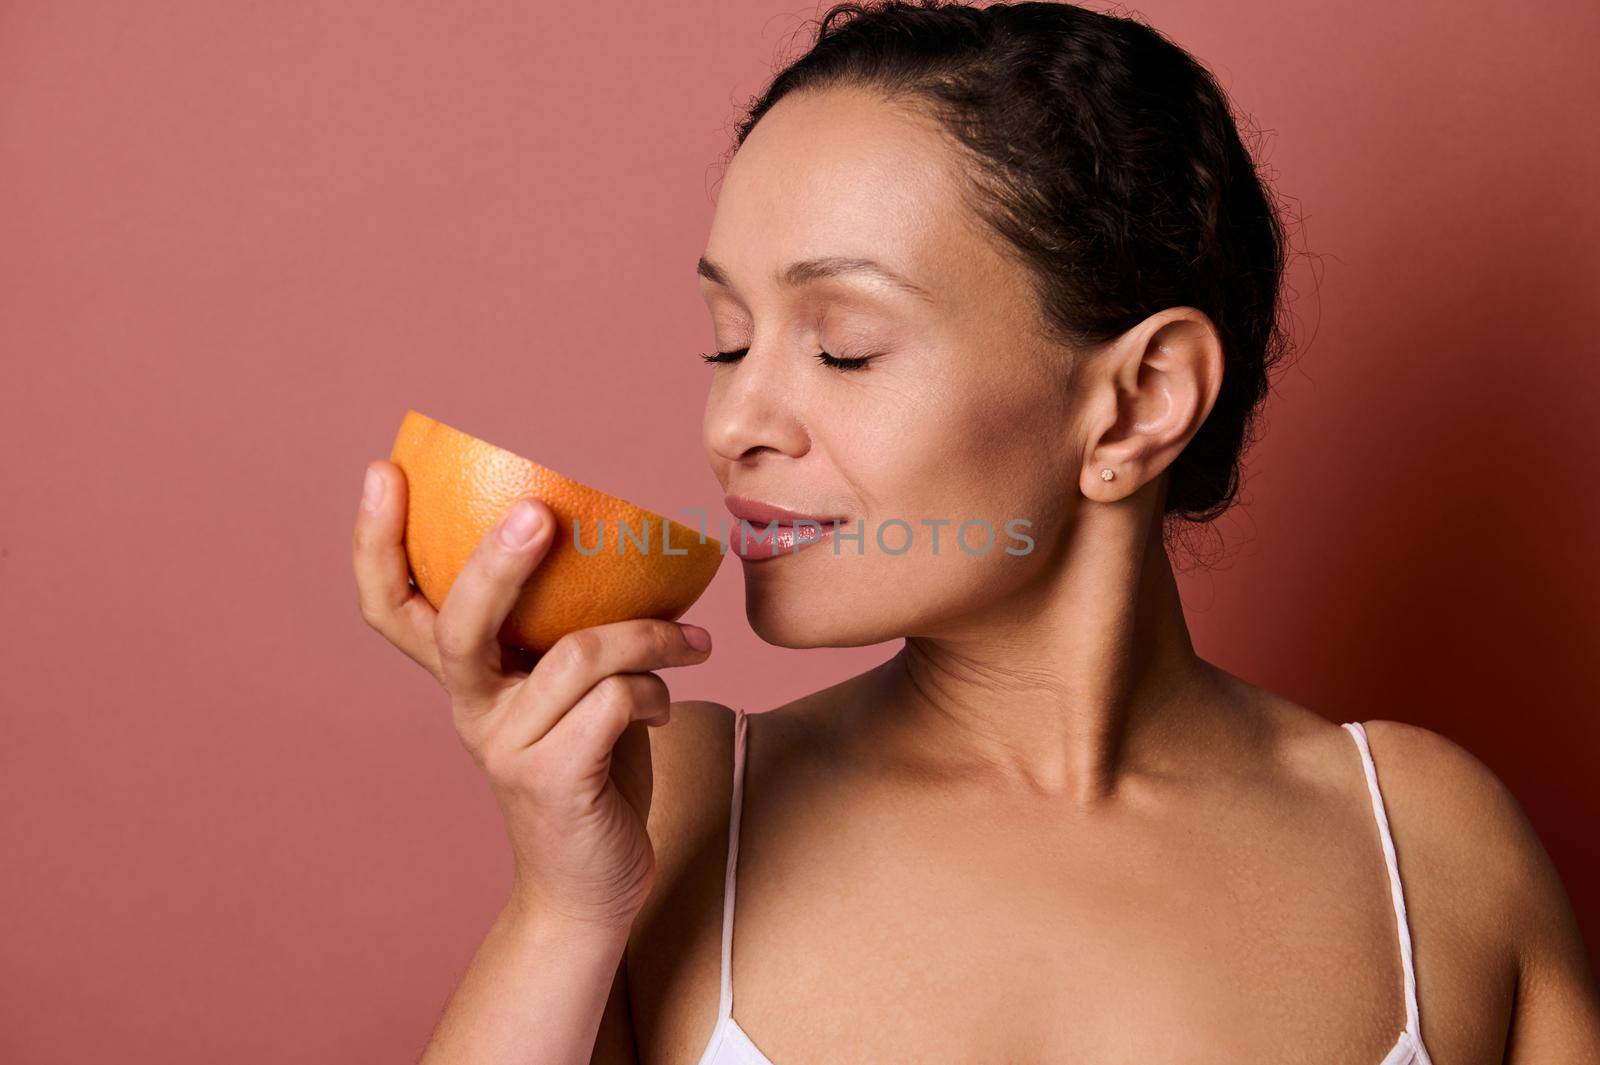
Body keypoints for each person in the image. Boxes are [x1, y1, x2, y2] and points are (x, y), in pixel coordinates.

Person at [351, 2, 1600, 1062]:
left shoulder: (1423, 847)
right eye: (726, 342)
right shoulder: (669, 817)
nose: (732, 419)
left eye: (843, 345)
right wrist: (566, 912)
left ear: (1138, 401)